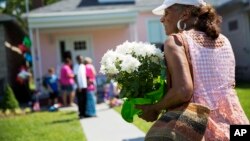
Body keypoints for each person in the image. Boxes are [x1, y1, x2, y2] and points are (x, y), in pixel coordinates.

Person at [136, 0, 249, 140]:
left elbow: (183, 91)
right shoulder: (224, 40)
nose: (162, 19)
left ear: (185, 13)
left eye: (167, 12)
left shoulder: (175, 41)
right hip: (236, 125)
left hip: (198, 127)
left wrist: (154, 108)